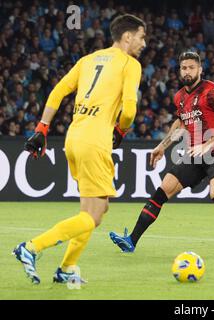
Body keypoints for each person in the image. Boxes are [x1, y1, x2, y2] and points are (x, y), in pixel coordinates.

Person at [12, 14, 146, 284]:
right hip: (95, 140)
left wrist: (42, 128)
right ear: (128, 36)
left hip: (74, 137)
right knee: (93, 217)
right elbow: (129, 110)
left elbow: (57, 92)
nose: (145, 43)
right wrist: (120, 130)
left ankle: (66, 269)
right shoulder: (130, 64)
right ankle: (32, 247)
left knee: (97, 210)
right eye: (142, 37)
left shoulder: (88, 60)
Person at [109, 51, 214, 254]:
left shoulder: (211, 90)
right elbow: (180, 124)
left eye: (191, 67)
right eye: (184, 68)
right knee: (163, 189)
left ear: (200, 69)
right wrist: (162, 146)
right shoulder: (179, 97)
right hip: (197, 152)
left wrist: (208, 144)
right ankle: (131, 241)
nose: (187, 71)